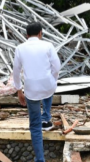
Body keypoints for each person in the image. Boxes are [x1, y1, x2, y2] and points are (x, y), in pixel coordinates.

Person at [12, 22, 61, 162]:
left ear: (26, 35)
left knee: (34, 125)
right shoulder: (48, 45)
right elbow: (56, 66)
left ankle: (40, 159)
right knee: (47, 89)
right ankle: (46, 116)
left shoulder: (20, 48)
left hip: (30, 90)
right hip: (47, 86)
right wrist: (52, 79)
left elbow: (16, 72)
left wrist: (19, 91)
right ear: (40, 33)